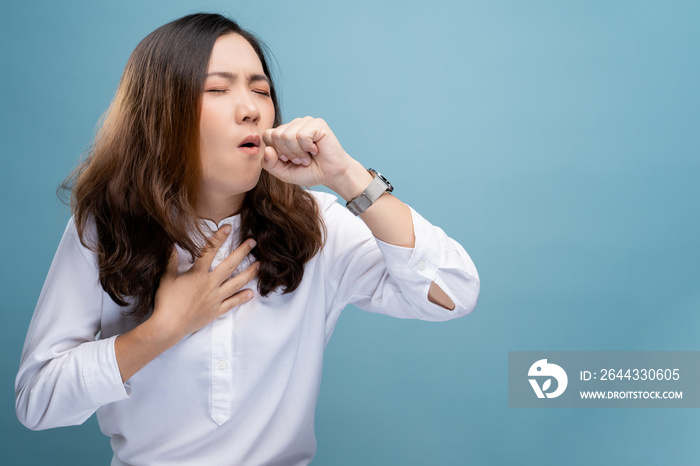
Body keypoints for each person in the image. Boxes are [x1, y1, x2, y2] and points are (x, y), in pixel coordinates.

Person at [15, 12, 480, 466]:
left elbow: (454, 293)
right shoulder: (105, 225)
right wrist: (164, 329)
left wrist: (347, 177)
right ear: (160, 115)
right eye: (217, 89)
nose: (251, 108)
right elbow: (38, 402)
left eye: (261, 90)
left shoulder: (316, 223)